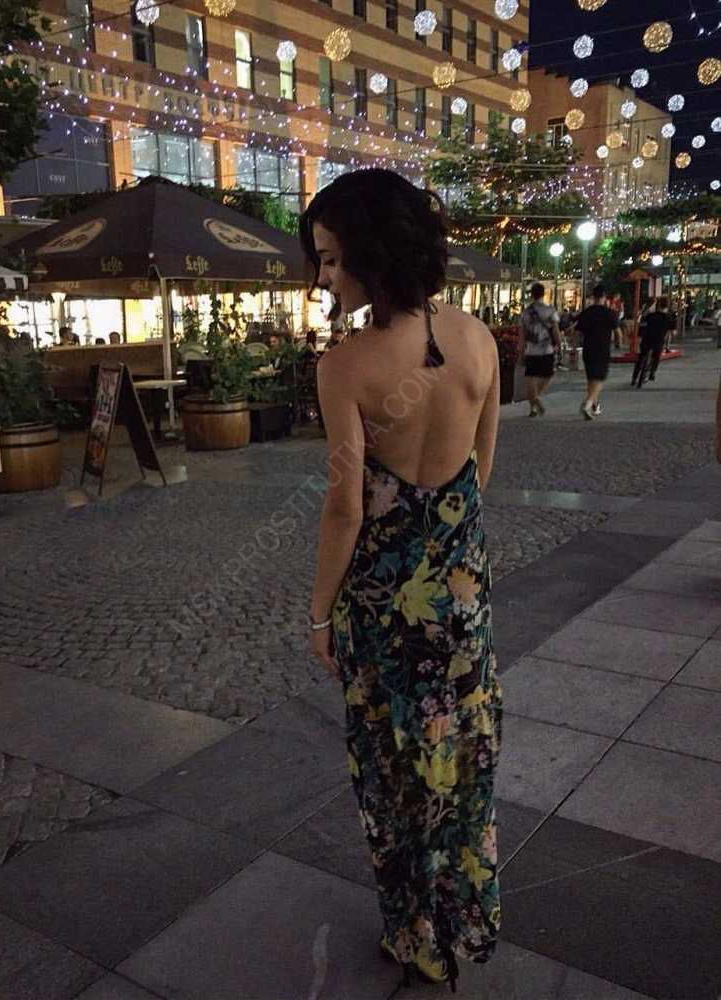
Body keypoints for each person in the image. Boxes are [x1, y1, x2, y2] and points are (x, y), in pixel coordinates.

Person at [300, 168, 501, 990]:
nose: (322, 275)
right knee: (460, 765)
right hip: (461, 602)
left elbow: (344, 508)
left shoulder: (345, 366)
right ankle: (459, 921)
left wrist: (320, 615)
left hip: (384, 613)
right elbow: (479, 474)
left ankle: (413, 930)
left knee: (392, 774)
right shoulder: (479, 340)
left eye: (330, 257)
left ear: (371, 254)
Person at [574, 284, 618, 419]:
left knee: (591, 379)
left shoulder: (586, 312)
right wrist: (618, 343)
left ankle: (594, 405)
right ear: (604, 297)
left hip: (588, 349)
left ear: (593, 297)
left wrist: (575, 346)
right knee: (599, 379)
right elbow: (617, 331)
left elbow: (577, 332)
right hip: (602, 349)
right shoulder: (610, 313)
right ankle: (587, 404)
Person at [517, 282, 560, 417]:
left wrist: (521, 351)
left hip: (531, 350)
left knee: (531, 377)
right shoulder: (550, 310)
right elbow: (555, 330)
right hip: (547, 349)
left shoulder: (525, 313)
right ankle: (536, 398)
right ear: (543, 294)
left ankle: (533, 406)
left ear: (532, 295)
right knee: (548, 374)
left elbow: (522, 334)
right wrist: (559, 344)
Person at [632, 296, 676, 385]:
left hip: (647, 339)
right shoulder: (669, 318)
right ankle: (653, 371)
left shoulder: (651, 315)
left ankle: (634, 377)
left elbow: (642, 320)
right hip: (658, 341)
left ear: (657, 305)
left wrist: (648, 310)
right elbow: (673, 332)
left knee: (641, 357)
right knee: (657, 355)